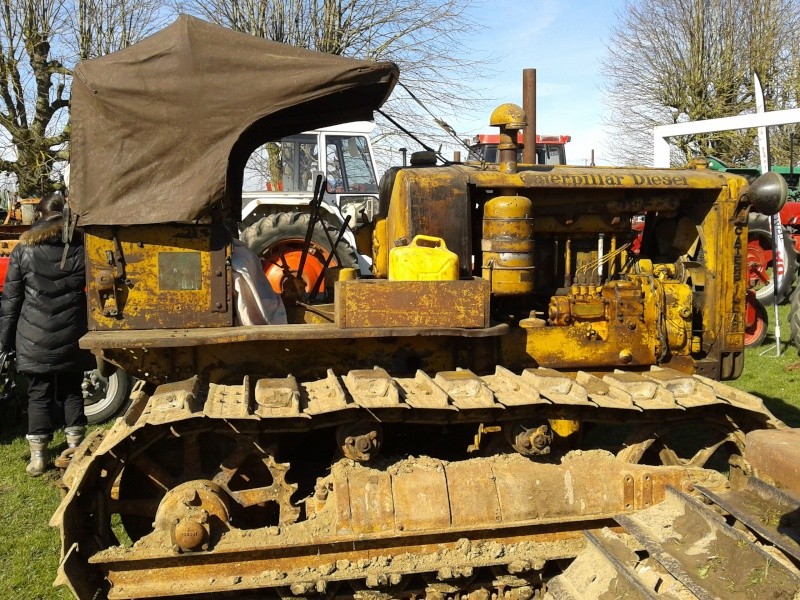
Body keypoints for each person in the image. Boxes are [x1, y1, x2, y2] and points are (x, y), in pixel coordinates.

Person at [0, 192, 89, 476]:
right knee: (72, 389)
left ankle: (38, 458)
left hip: (32, 335)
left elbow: (11, 301)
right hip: (72, 332)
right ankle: (75, 450)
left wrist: (4, 343)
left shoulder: (23, 250)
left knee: (38, 394)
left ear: (38, 216)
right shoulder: (80, 247)